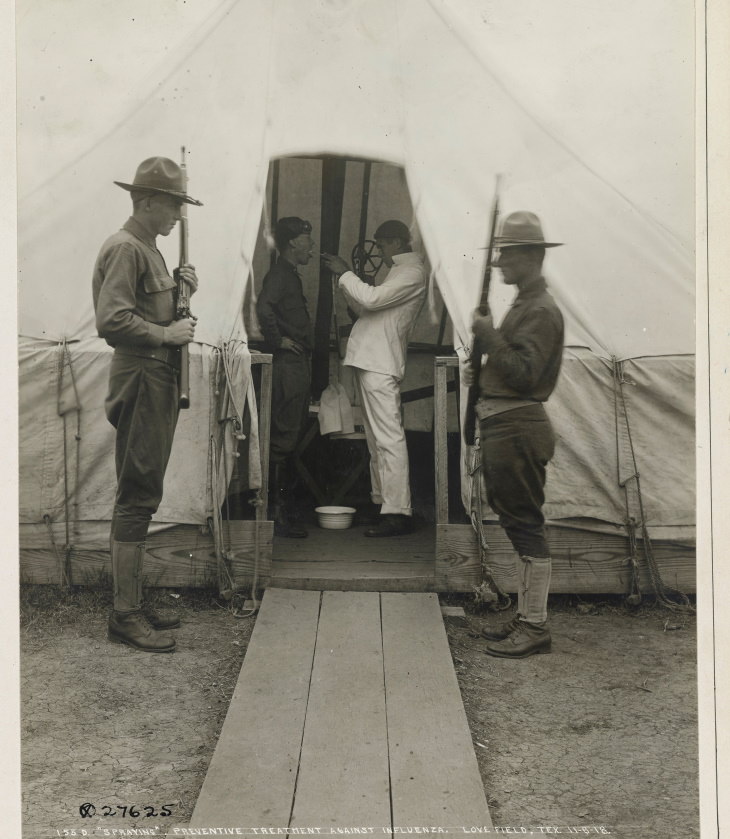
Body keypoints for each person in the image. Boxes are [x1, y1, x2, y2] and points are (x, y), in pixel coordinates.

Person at [92, 156, 202, 653]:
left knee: (145, 487)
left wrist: (182, 292)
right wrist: (166, 333)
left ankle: (131, 599)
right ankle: (125, 614)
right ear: (149, 201)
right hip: (140, 376)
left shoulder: (149, 250)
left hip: (155, 378)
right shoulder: (125, 248)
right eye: (174, 205)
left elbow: (150, 308)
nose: (178, 215)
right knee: (137, 491)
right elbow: (112, 320)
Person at [465, 211, 564, 659]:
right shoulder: (526, 304)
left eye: (506, 253)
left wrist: (488, 339)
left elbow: (524, 374)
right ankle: (528, 618)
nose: (499, 262)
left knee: (525, 526)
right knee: (516, 522)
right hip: (506, 425)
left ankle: (536, 625)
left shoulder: (541, 310)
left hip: (517, 427)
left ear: (529, 256)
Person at [322, 220, 426, 537]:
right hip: (372, 360)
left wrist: (345, 273)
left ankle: (397, 512)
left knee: (388, 438)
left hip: (380, 362)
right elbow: (369, 308)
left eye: (381, 246)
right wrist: (349, 283)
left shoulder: (411, 272)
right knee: (376, 439)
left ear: (395, 242)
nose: (378, 252)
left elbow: (372, 301)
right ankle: (384, 504)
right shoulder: (397, 272)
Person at [255, 217, 316, 538]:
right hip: (287, 365)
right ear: (293, 243)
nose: (312, 246)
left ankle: (280, 510)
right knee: (282, 438)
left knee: (288, 435)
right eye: (308, 240)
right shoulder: (280, 275)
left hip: (296, 363)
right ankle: (274, 515)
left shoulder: (289, 275)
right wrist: (277, 340)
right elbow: (263, 307)